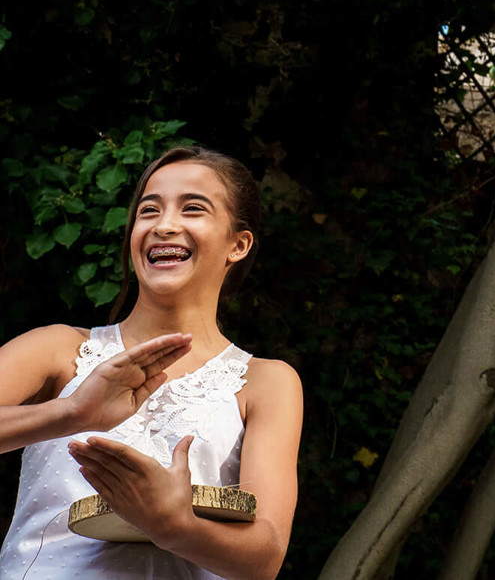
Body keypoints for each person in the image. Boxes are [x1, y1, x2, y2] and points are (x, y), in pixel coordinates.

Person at [0, 146, 302, 580]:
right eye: (149, 211)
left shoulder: (267, 382)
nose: (165, 226)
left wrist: (173, 526)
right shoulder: (56, 349)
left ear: (238, 244)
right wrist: (71, 413)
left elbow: (265, 558)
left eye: (193, 209)